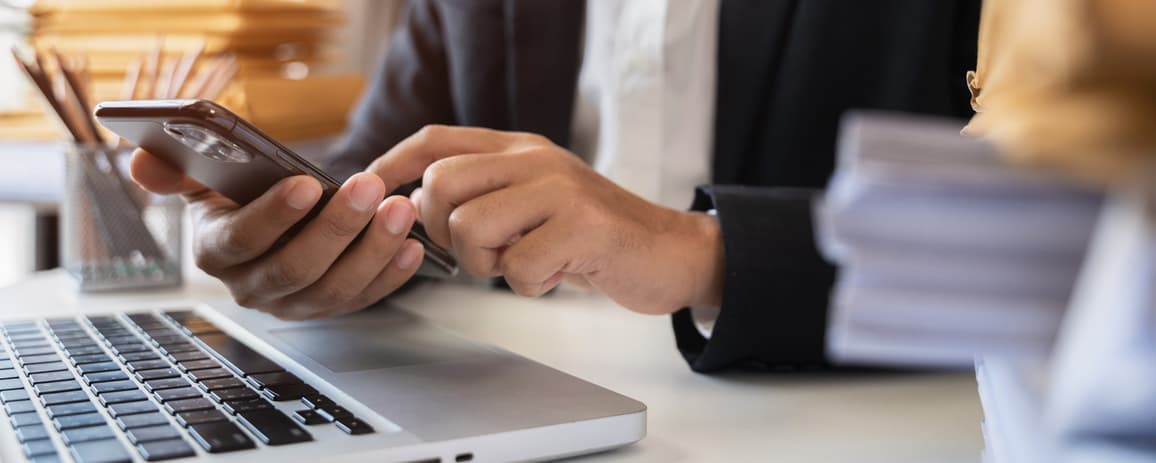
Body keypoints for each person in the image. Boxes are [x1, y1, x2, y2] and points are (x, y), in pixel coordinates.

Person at [131, 0, 981, 372]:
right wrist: (308, 240)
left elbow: (1065, 232)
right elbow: (371, 171)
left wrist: (694, 250)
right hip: (494, 392)